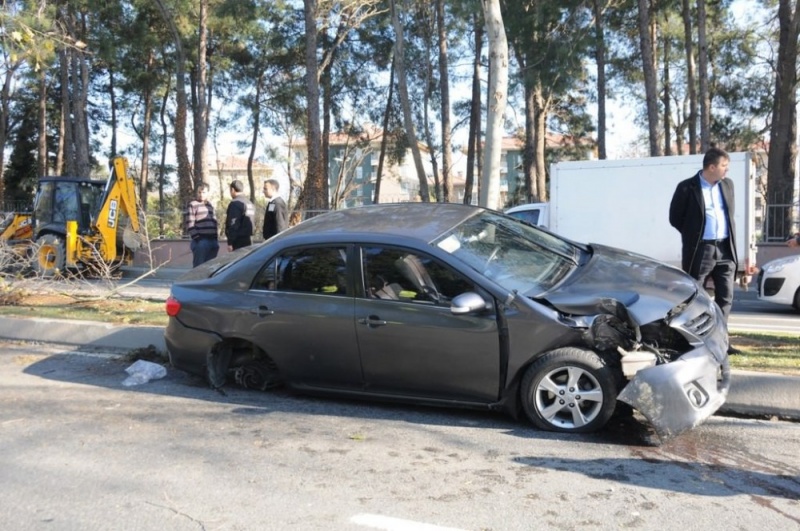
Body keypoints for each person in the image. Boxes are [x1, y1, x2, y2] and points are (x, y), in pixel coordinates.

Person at [669, 147, 738, 348]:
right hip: (702, 249)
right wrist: (694, 236)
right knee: (695, 295)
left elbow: (728, 215)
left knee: (726, 297)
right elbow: (675, 218)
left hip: (725, 248)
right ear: (711, 167)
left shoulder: (727, 185)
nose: (727, 170)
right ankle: (693, 339)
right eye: (724, 166)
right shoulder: (686, 187)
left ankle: (721, 341)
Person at [184, 182, 219, 267]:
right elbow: (190, 224)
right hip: (201, 241)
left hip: (213, 241)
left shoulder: (210, 205)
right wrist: (198, 239)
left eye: (203, 192)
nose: (201, 195)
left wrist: (216, 238)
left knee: (210, 268)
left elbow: (214, 221)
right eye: (199, 192)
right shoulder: (193, 204)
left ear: (207, 193)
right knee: (199, 268)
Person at [225, 180, 255, 251]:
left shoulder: (235, 203)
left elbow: (233, 223)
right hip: (249, 239)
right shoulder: (249, 203)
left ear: (232, 190)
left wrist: (230, 242)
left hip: (238, 241)